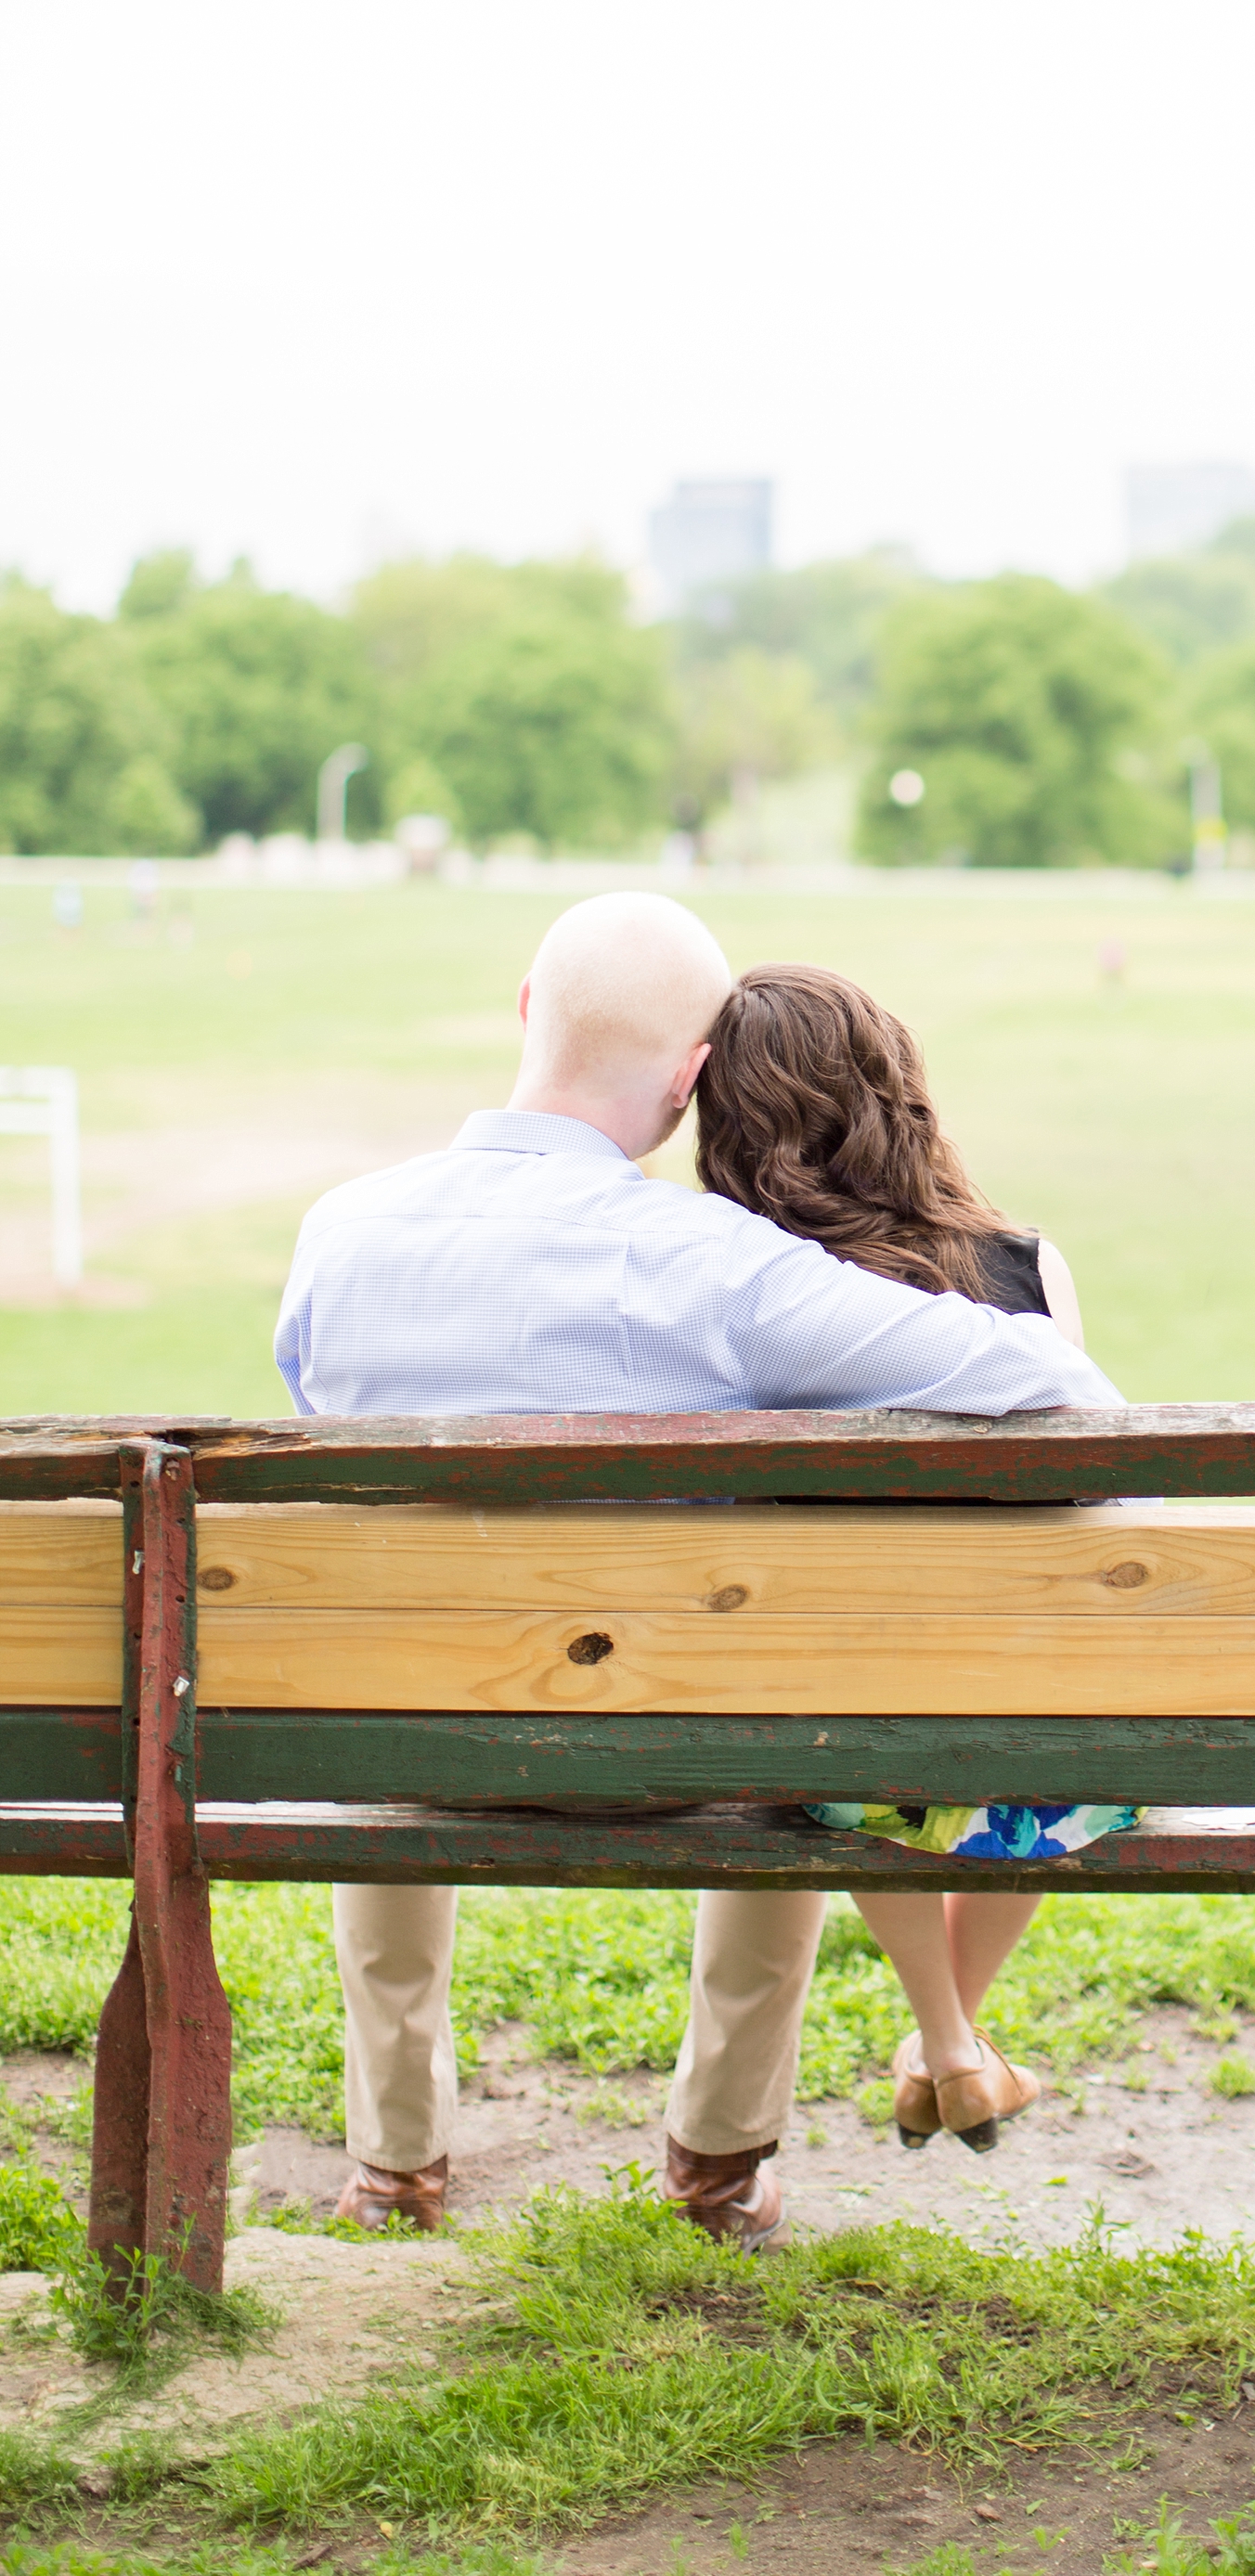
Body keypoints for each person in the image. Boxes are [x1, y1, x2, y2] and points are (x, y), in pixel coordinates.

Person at [271, 892, 1121, 2244]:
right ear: (687, 1085)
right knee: (773, 1687)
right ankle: (718, 2161)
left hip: (402, 1736)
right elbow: (1050, 1385)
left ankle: (397, 2164)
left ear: (527, 1010)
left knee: (406, 1642)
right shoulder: (720, 1268)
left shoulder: (340, 1236)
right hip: (662, 1748)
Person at [691, 962, 1142, 2157]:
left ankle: (945, 2038)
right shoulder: (1026, 1265)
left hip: (834, 1717)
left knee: (841, 1707)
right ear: (897, 1092)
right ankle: (954, 2040)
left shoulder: (743, 1285)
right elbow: (1083, 1494)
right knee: (1045, 1719)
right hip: (1036, 1709)